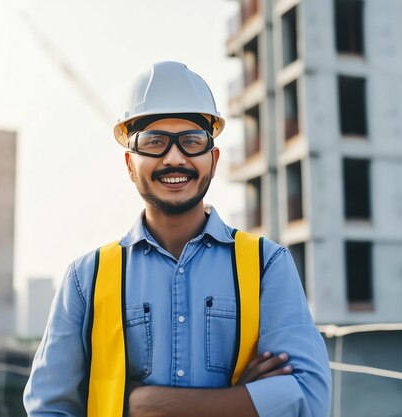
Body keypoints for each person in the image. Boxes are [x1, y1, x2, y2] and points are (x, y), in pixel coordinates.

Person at [23, 61, 331, 417]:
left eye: (191, 141)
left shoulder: (267, 264)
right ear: (129, 164)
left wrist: (148, 405)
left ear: (213, 161)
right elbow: (49, 408)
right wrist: (241, 401)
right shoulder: (85, 279)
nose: (174, 157)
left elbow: (307, 399)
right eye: (154, 142)